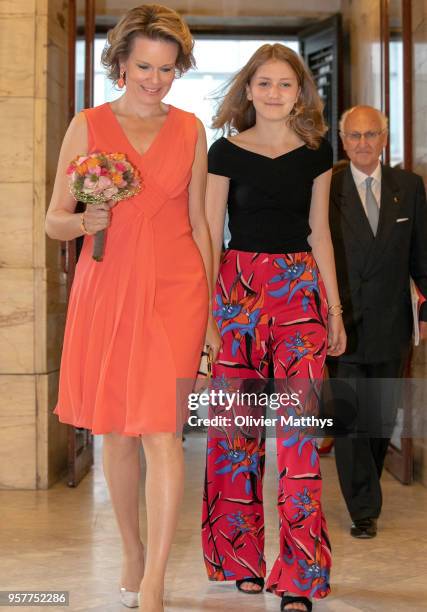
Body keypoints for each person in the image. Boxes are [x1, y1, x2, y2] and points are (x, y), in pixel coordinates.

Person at [45, 5, 220, 611]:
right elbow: (52, 220)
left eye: (168, 69)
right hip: (109, 289)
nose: (155, 78)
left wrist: (213, 318)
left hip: (177, 294)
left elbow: (201, 224)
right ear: (120, 62)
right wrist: (84, 218)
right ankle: (131, 551)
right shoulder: (88, 124)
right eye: (144, 65)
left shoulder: (192, 129)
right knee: (117, 433)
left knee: (163, 433)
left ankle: (154, 583)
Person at [201, 44, 346, 612]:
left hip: (299, 293)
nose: (274, 93)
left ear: (299, 92)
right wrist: (208, 319)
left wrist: (334, 310)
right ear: (248, 89)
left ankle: (300, 576)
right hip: (236, 294)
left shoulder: (317, 154)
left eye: (285, 84)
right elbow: (211, 237)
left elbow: (320, 235)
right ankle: (240, 557)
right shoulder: (223, 152)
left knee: (300, 438)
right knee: (235, 435)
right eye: (264, 83)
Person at [327, 105, 427, 539]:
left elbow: (421, 256)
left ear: (384, 140)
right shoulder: (327, 186)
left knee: (380, 418)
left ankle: (366, 490)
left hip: (390, 322)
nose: (363, 144)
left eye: (371, 135)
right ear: (343, 140)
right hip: (341, 323)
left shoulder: (410, 186)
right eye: (355, 136)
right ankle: (363, 508)